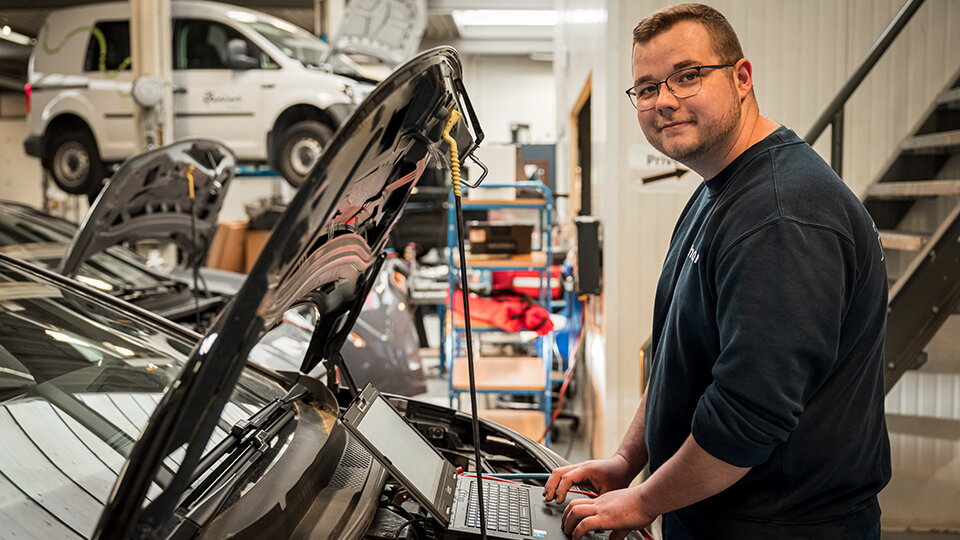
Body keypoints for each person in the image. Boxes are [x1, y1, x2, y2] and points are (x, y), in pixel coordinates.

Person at [542, 4, 891, 539]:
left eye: (687, 76)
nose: (665, 101)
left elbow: (747, 417)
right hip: (710, 510)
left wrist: (644, 500)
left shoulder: (781, 215)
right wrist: (625, 461)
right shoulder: (721, 189)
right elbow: (681, 361)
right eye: (647, 87)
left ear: (741, 77)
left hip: (780, 526)